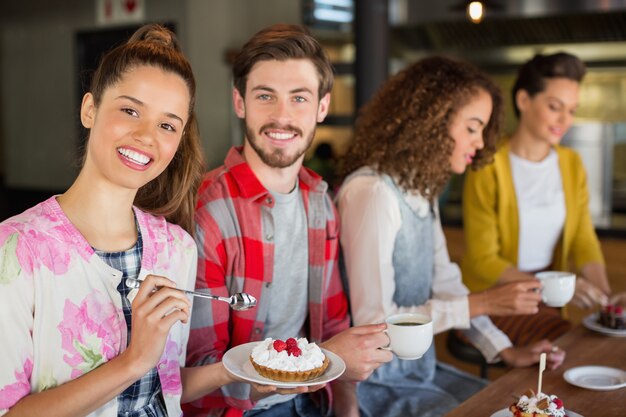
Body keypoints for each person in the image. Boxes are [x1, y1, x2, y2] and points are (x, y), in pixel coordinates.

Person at [0, 24, 236, 416]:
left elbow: (165, 384)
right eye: (130, 110)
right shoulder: (16, 249)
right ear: (89, 109)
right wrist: (134, 360)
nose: (146, 136)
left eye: (167, 125)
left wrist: (236, 371)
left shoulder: (177, 247)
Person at [337, 56, 565, 417]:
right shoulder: (373, 192)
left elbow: (447, 283)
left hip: (421, 373)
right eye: (473, 127)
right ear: (432, 121)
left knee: (517, 406)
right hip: (376, 386)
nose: (479, 142)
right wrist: (484, 303)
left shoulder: (421, 189)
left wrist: (504, 350)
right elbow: (375, 324)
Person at [185, 24, 391, 417]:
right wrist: (327, 357)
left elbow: (331, 322)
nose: (282, 116)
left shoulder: (319, 202)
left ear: (322, 107)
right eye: (266, 96)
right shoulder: (208, 213)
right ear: (240, 102)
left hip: (315, 401)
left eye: (299, 98)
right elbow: (202, 371)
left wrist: (346, 406)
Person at [461, 52, 612, 347]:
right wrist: (546, 286)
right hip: (496, 298)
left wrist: (604, 297)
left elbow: (584, 238)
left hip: (548, 297)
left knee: (596, 337)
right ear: (524, 100)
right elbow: (482, 259)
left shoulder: (571, 164)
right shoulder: (488, 165)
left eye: (572, 110)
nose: (564, 120)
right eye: (555, 107)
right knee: (567, 345)